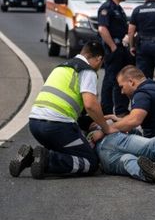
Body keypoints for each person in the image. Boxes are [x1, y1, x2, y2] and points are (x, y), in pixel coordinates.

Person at [9, 42, 117, 178]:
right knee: (90, 162)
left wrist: (96, 120)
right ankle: (48, 160)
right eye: (101, 64)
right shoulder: (87, 71)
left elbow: (74, 108)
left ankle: (31, 157)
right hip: (57, 127)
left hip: (35, 124)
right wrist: (106, 127)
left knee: (68, 152)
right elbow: (90, 105)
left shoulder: (61, 67)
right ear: (99, 59)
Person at [98, 0, 132, 115]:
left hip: (121, 48)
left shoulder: (119, 9)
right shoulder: (107, 8)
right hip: (113, 50)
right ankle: (106, 110)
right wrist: (112, 46)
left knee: (121, 79)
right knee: (110, 80)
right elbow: (102, 29)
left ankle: (121, 110)